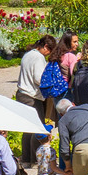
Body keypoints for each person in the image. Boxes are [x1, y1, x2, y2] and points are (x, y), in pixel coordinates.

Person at [15, 34, 55, 164]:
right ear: (45, 47)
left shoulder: (28, 54)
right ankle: (34, 159)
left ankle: (26, 158)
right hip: (31, 96)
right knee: (37, 128)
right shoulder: (38, 58)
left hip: (22, 94)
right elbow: (39, 78)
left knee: (27, 129)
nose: (49, 55)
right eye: (50, 51)